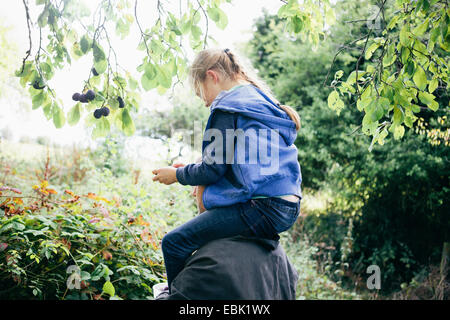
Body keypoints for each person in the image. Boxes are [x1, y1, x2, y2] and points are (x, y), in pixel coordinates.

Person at [152, 48, 302, 292]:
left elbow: (213, 169)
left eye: (200, 92)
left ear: (212, 76)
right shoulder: (260, 102)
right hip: (288, 206)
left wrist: (178, 176)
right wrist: (194, 168)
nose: (204, 101)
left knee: (174, 242)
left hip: (260, 207)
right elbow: (241, 164)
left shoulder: (227, 106)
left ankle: (175, 297)